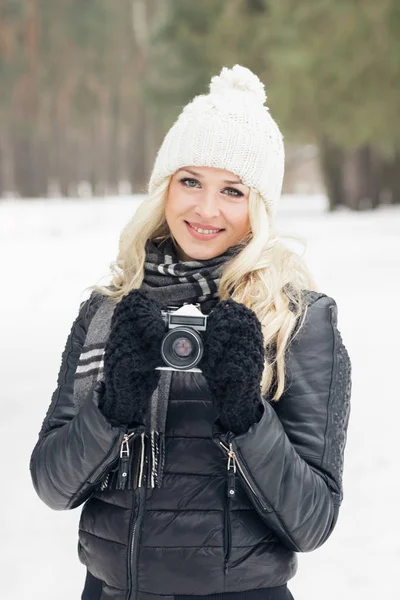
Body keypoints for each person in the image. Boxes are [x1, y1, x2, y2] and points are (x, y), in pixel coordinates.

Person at [29, 65, 351, 600]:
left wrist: (247, 416)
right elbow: (52, 485)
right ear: (164, 189)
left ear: (260, 208)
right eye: (190, 182)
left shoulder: (298, 320)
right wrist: (113, 407)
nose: (206, 209)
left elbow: (313, 521)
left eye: (232, 191)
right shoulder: (110, 312)